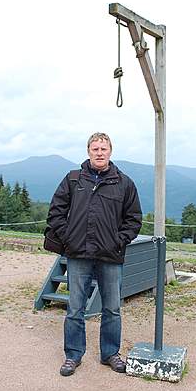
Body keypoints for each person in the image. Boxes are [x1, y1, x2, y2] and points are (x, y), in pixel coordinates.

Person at [46, 132, 142, 376]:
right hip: (78, 253)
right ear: (88, 151)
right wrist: (69, 237)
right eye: (95, 149)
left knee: (112, 308)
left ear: (111, 151)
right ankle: (73, 355)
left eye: (104, 148)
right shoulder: (73, 179)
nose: (100, 153)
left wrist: (118, 241)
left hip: (110, 255)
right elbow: (56, 212)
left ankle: (110, 353)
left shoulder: (124, 183)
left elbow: (133, 220)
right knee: (75, 307)